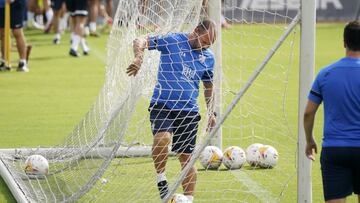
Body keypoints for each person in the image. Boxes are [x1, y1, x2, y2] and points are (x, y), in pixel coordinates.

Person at [127, 19, 217, 202]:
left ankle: (189, 199)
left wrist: (211, 112)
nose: (205, 47)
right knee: (163, 138)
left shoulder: (208, 58)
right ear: (195, 31)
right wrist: (138, 57)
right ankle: (161, 178)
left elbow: (208, 87)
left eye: (209, 44)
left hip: (189, 111)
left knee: (187, 158)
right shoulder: (174, 41)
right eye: (204, 41)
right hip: (163, 104)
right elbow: (140, 40)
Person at [304, 21, 360, 203]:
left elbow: (308, 113)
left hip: (334, 149)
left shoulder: (325, 74)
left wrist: (309, 139)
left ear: (344, 42)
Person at [0, 0, 29, 72]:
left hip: (16, 3)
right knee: (2, 32)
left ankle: (23, 62)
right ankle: (5, 62)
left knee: (17, 31)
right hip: (2, 3)